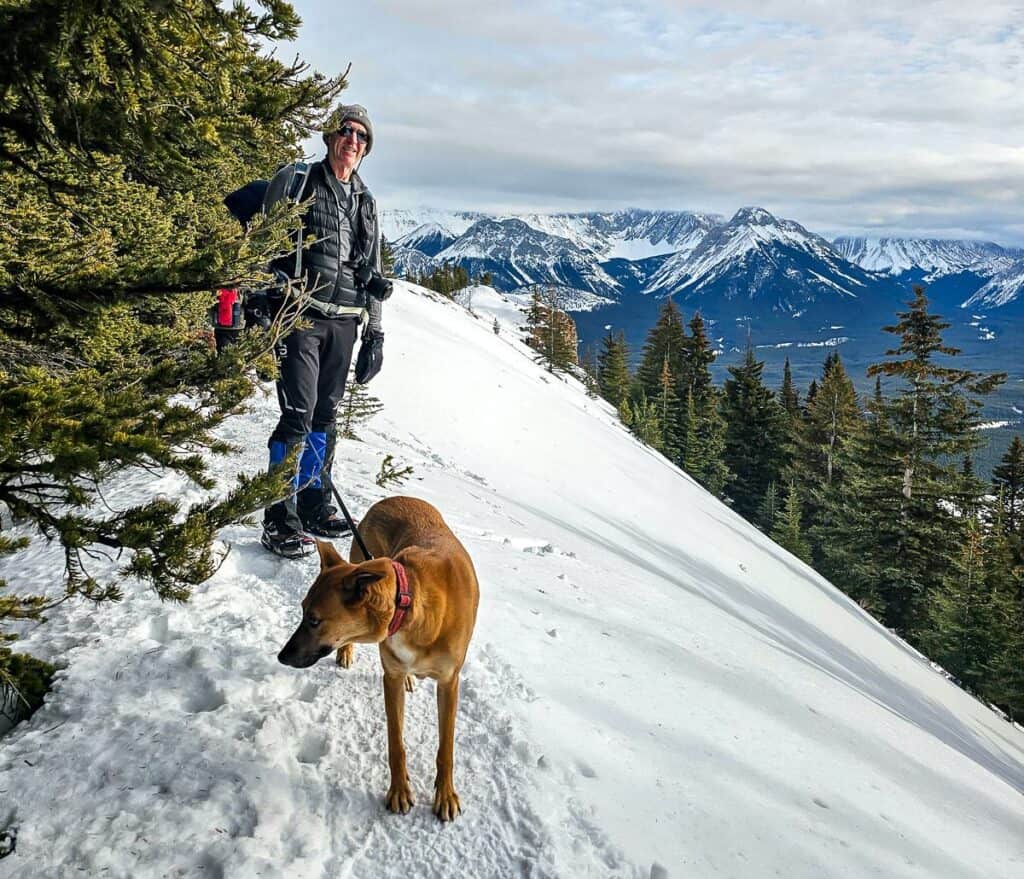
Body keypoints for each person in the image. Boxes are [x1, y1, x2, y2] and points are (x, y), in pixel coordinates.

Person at [260, 103, 389, 558]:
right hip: (300, 315)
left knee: (325, 417)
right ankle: (278, 516)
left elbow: (371, 268)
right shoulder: (297, 181)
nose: (353, 141)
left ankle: (315, 504)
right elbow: (263, 241)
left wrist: (375, 333)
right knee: (297, 413)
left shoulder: (366, 202)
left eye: (361, 136)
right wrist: (258, 305)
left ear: (366, 148)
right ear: (330, 137)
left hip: (345, 321)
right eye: (346, 132)